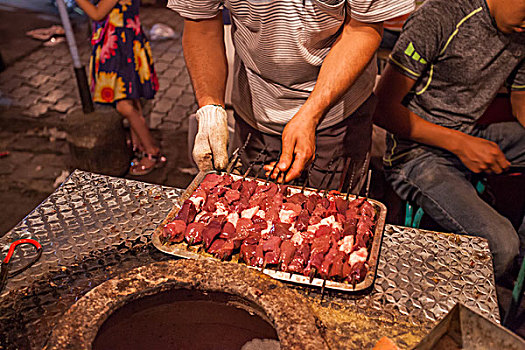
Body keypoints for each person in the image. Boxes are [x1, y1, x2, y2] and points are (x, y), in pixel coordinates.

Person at [168, 0, 414, 192]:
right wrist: (210, 107)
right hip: (255, 107)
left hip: (338, 113)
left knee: (331, 222)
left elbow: (362, 28)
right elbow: (200, 23)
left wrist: (311, 113)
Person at [373, 0, 525, 279]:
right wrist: (462, 145)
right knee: (502, 247)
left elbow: (520, 98)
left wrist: (467, 142)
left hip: (469, 133)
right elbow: (381, 109)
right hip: (416, 152)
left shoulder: (520, 29)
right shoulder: (441, 15)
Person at [74, 0, 166, 175]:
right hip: (123, 45)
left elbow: (97, 14)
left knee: (124, 106)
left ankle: (151, 151)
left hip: (119, 48)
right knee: (132, 101)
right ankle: (140, 145)